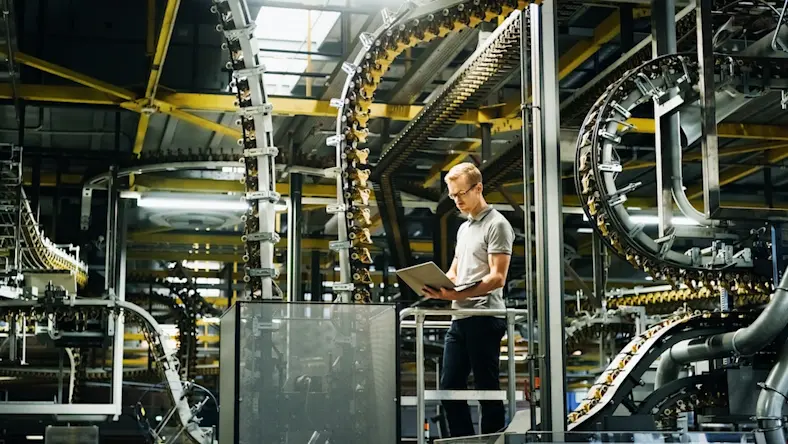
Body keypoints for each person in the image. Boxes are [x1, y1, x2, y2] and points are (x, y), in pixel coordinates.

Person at [422, 162, 515, 438]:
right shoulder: (464, 229)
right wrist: (436, 285)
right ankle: (461, 440)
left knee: (486, 388)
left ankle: (492, 440)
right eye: (452, 196)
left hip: (486, 318)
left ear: (478, 188)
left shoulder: (497, 225)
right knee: (449, 385)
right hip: (460, 317)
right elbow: (455, 270)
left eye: (461, 193)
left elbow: (497, 277)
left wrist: (456, 294)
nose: (457, 200)